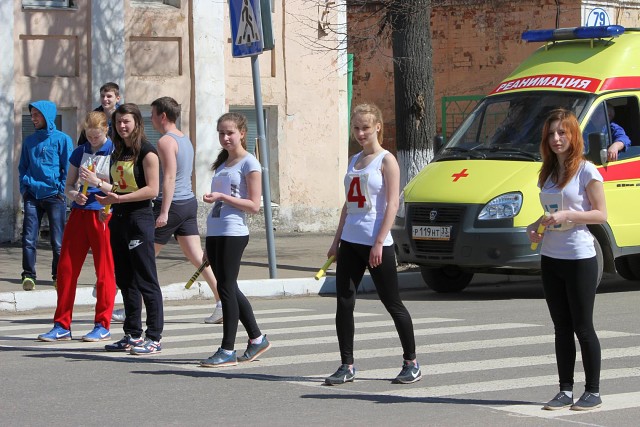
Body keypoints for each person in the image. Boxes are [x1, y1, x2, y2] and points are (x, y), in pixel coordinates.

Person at [324, 103, 421, 386]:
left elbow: (393, 204)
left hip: (376, 242)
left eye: (366, 127)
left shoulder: (386, 161)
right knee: (344, 302)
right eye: (356, 128)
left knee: (392, 302)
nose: (360, 133)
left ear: (378, 127)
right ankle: (347, 365)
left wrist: (379, 242)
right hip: (350, 241)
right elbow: (348, 205)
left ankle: (411, 362)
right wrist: (336, 241)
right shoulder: (353, 160)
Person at [527, 108, 607, 411]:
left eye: (562, 132)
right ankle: (564, 390)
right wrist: (535, 226)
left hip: (579, 257)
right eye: (551, 133)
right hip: (551, 257)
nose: (556, 138)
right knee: (561, 328)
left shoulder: (587, 171)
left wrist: (569, 215)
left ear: (574, 135)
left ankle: (593, 391)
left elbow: (601, 214)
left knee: (583, 327)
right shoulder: (547, 173)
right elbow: (549, 213)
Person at [37, 111, 117, 342]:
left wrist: (97, 182)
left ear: (106, 130)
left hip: (103, 214)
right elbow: (69, 185)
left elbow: (119, 188)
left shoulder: (114, 151)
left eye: (96, 136)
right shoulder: (80, 151)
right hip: (79, 213)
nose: (93, 141)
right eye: (89, 136)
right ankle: (62, 324)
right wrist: (74, 195)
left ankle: (102, 324)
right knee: (66, 270)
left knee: (104, 271)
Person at [199, 112, 270, 368]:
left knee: (226, 289)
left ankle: (227, 349)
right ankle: (257, 339)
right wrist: (207, 243)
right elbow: (218, 202)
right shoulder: (223, 163)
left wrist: (222, 197)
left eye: (230, 133)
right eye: (221, 133)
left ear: (242, 133)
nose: (225, 137)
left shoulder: (250, 163)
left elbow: (254, 205)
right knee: (229, 287)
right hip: (216, 231)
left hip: (233, 232)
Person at [95, 103, 164, 355]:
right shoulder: (117, 151)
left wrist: (120, 199)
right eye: (118, 122)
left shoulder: (147, 152)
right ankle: (132, 334)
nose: (122, 126)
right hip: (119, 218)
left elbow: (152, 190)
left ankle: (154, 337)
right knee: (125, 280)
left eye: (126, 121)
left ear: (137, 123)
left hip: (139, 219)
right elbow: (118, 185)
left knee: (146, 279)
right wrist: (105, 199)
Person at [18, 100, 73, 291]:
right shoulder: (29, 141)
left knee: (58, 241)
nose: (33, 118)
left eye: (36, 115)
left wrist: (61, 190)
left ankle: (58, 276)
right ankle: (28, 275)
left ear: (47, 116)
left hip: (54, 197)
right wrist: (25, 189)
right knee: (28, 238)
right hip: (32, 195)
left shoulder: (62, 139)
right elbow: (23, 167)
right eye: (31, 115)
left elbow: (68, 168)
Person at [77, 82, 121, 146]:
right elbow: (83, 141)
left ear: (117, 98)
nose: (105, 99)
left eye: (109, 96)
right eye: (102, 96)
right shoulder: (93, 116)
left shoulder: (124, 115)